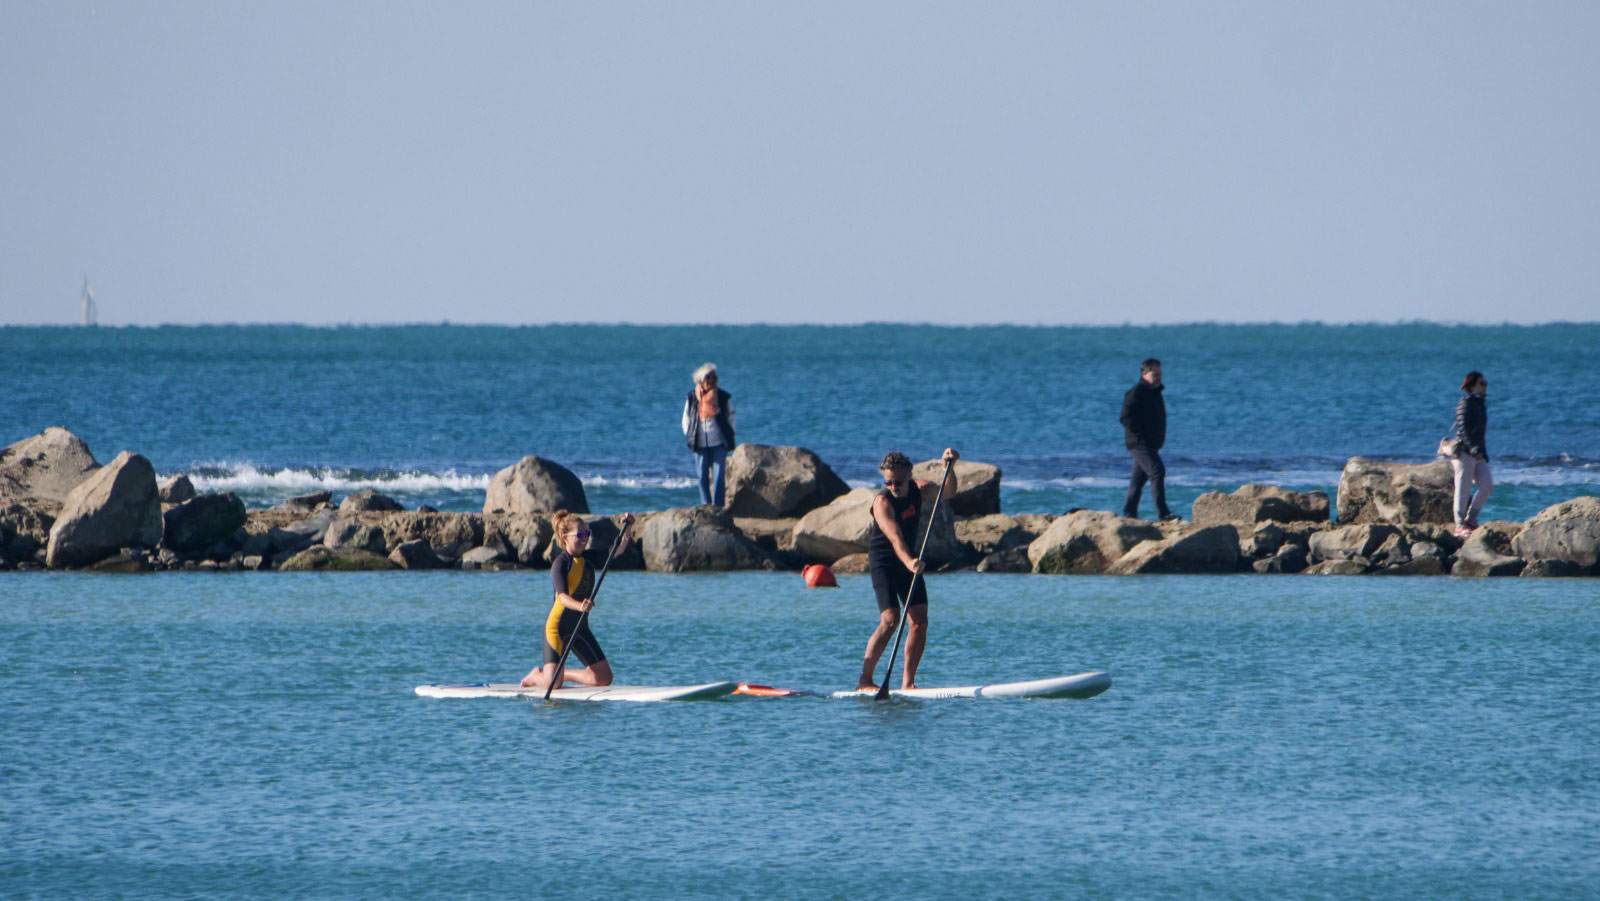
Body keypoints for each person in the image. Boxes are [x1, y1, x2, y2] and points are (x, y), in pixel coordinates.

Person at [855, 448, 959, 692]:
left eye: (898, 481)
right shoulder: (882, 503)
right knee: (890, 621)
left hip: (909, 562)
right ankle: (864, 681)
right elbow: (895, 537)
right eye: (887, 482)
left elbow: (949, 492)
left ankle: (908, 683)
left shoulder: (919, 489)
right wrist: (910, 562)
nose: (893, 487)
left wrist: (949, 468)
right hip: (885, 563)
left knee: (919, 621)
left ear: (909, 475)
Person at [520, 509, 635, 690]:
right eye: (580, 534)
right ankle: (537, 676)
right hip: (556, 628)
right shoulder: (560, 563)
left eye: (587, 533)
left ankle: (562, 673)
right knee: (553, 685)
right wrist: (580, 605)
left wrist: (628, 528)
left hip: (579, 626)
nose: (585, 538)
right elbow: (563, 597)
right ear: (565, 537)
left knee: (603, 678)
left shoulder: (588, 558)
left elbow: (616, 550)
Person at [1120, 357, 1177, 522]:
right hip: (1139, 444)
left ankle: (1129, 513)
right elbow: (1125, 417)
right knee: (1157, 471)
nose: (1159, 376)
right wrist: (1139, 436)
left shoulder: (1156, 392)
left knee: (1137, 480)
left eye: (1160, 373)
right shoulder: (1135, 392)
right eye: (1155, 373)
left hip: (1151, 444)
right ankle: (1163, 514)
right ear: (1144, 373)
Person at [682, 362, 736, 507]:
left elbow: (731, 417)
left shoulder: (723, 397)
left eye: (714, 377)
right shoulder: (692, 398)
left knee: (718, 477)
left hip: (719, 443)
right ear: (700, 380)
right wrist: (689, 435)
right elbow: (686, 419)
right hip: (699, 443)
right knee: (702, 477)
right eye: (708, 377)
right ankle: (706, 505)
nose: (711, 380)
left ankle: (718, 507)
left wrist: (729, 434)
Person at [1450, 371, 1492, 537]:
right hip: (1464, 453)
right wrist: (1473, 448)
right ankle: (1460, 525)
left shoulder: (1480, 404)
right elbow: (1464, 429)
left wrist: (1482, 451)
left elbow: (1480, 432)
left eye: (1485, 383)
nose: (1484, 386)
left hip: (1478, 453)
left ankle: (1471, 519)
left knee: (1487, 484)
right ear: (1472, 385)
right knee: (1463, 488)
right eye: (1482, 383)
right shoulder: (1465, 403)